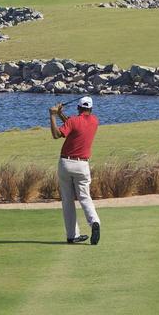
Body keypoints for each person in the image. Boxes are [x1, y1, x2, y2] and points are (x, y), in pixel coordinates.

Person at [49, 96, 101, 245]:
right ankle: (95, 222)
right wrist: (60, 114)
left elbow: (56, 135)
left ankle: (72, 235)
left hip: (66, 164)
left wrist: (52, 115)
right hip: (82, 165)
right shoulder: (94, 121)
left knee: (68, 200)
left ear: (78, 108)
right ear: (90, 109)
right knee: (85, 197)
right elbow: (73, 125)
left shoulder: (73, 121)